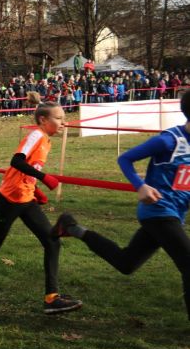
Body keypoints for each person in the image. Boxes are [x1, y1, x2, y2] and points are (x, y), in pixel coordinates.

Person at [52, 90, 190, 321]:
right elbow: (125, 158)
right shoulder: (169, 140)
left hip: (174, 213)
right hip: (158, 211)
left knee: (126, 263)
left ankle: (73, 228)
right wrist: (140, 186)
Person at [0, 102, 82, 314]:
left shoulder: (46, 139)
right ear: (43, 120)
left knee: (52, 241)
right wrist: (43, 177)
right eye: (58, 118)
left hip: (26, 198)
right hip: (10, 198)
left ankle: (51, 298)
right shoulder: (36, 135)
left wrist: (35, 189)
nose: (63, 122)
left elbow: (26, 169)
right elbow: (16, 161)